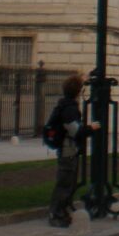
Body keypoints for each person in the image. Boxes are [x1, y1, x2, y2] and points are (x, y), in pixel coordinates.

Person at [48, 75, 100, 227]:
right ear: (77, 92)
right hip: (68, 151)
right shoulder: (69, 109)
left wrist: (83, 79)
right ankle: (56, 214)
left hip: (68, 150)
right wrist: (92, 128)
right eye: (80, 89)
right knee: (64, 184)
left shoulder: (65, 104)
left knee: (68, 184)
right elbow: (75, 131)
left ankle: (61, 212)